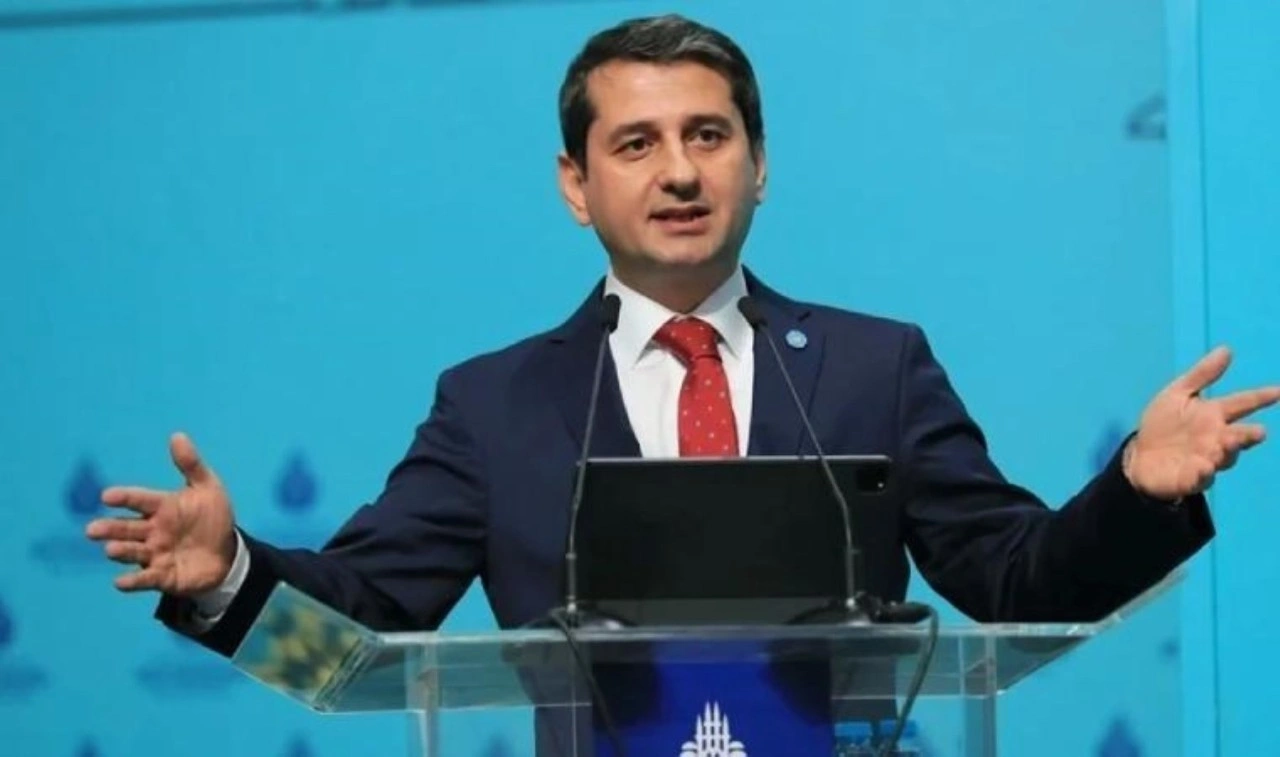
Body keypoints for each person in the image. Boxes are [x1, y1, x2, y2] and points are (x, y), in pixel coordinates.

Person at [88, 14, 1276, 658]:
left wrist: (1135, 487)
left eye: (708, 136)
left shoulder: (875, 367)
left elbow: (1015, 585)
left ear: (758, 166)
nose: (678, 171)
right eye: (636, 143)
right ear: (575, 184)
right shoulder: (492, 407)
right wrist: (229, 572)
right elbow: (365, 622)